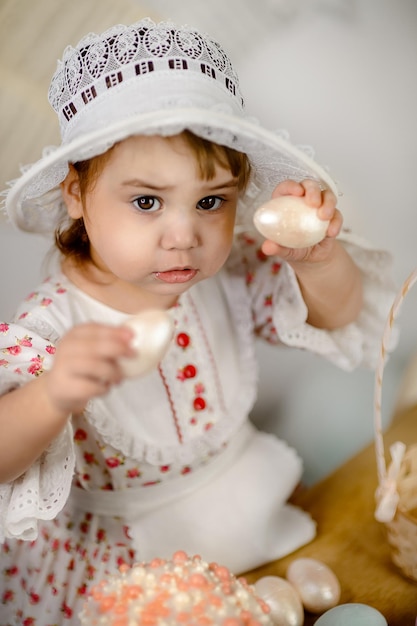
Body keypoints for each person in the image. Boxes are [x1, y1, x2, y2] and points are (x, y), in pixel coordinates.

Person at [0, 17, 395, 625]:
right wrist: (51, 395)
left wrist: (318, 262)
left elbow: (339, 317)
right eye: (147, 202)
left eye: (210, 202)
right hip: (130, 566)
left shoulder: (230, 272)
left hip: (247, 519)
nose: (183, 236)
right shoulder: (53, 325)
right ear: (76, 193)